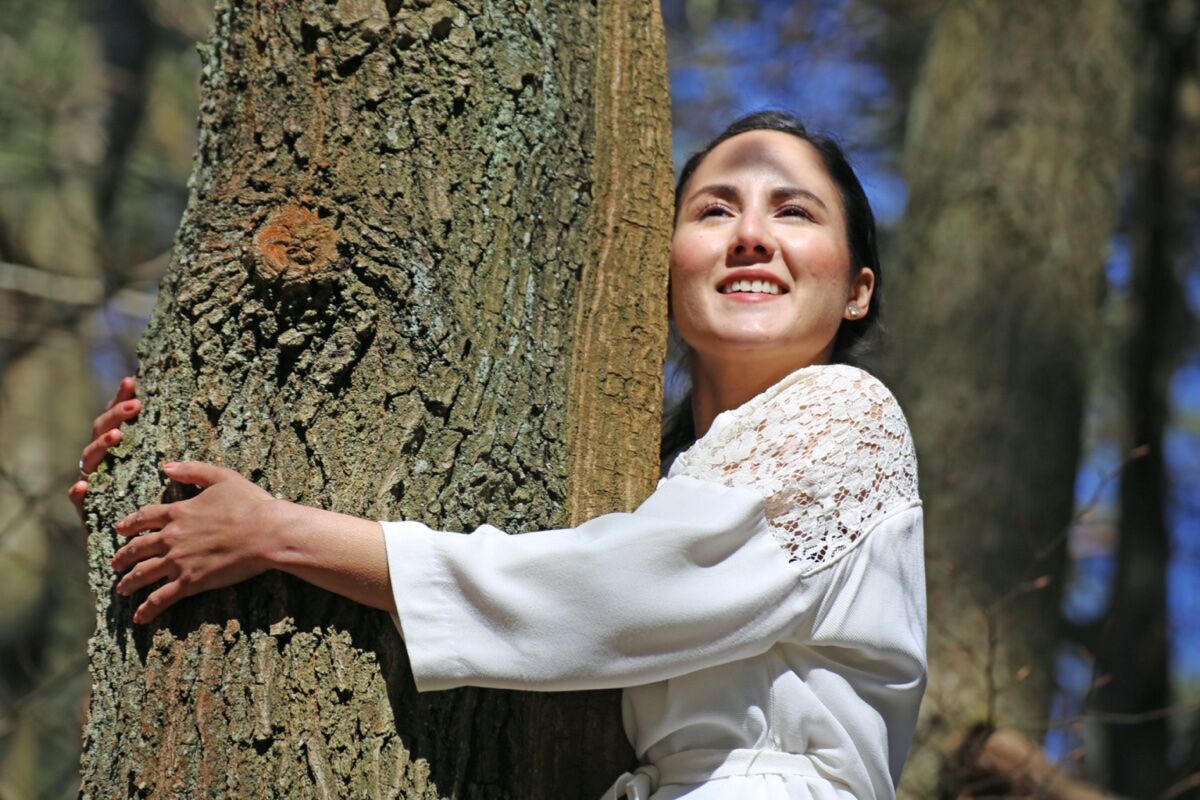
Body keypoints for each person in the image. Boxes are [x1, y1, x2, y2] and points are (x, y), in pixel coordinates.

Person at [71, 111, 926, 800]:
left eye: (794, 210)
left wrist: (277, 533)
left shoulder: (849, 416)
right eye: (713, 209)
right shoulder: (666, 471)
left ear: (857, 288)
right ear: (662, 270)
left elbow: (606, 593)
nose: (750, 236)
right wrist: (150, 478)